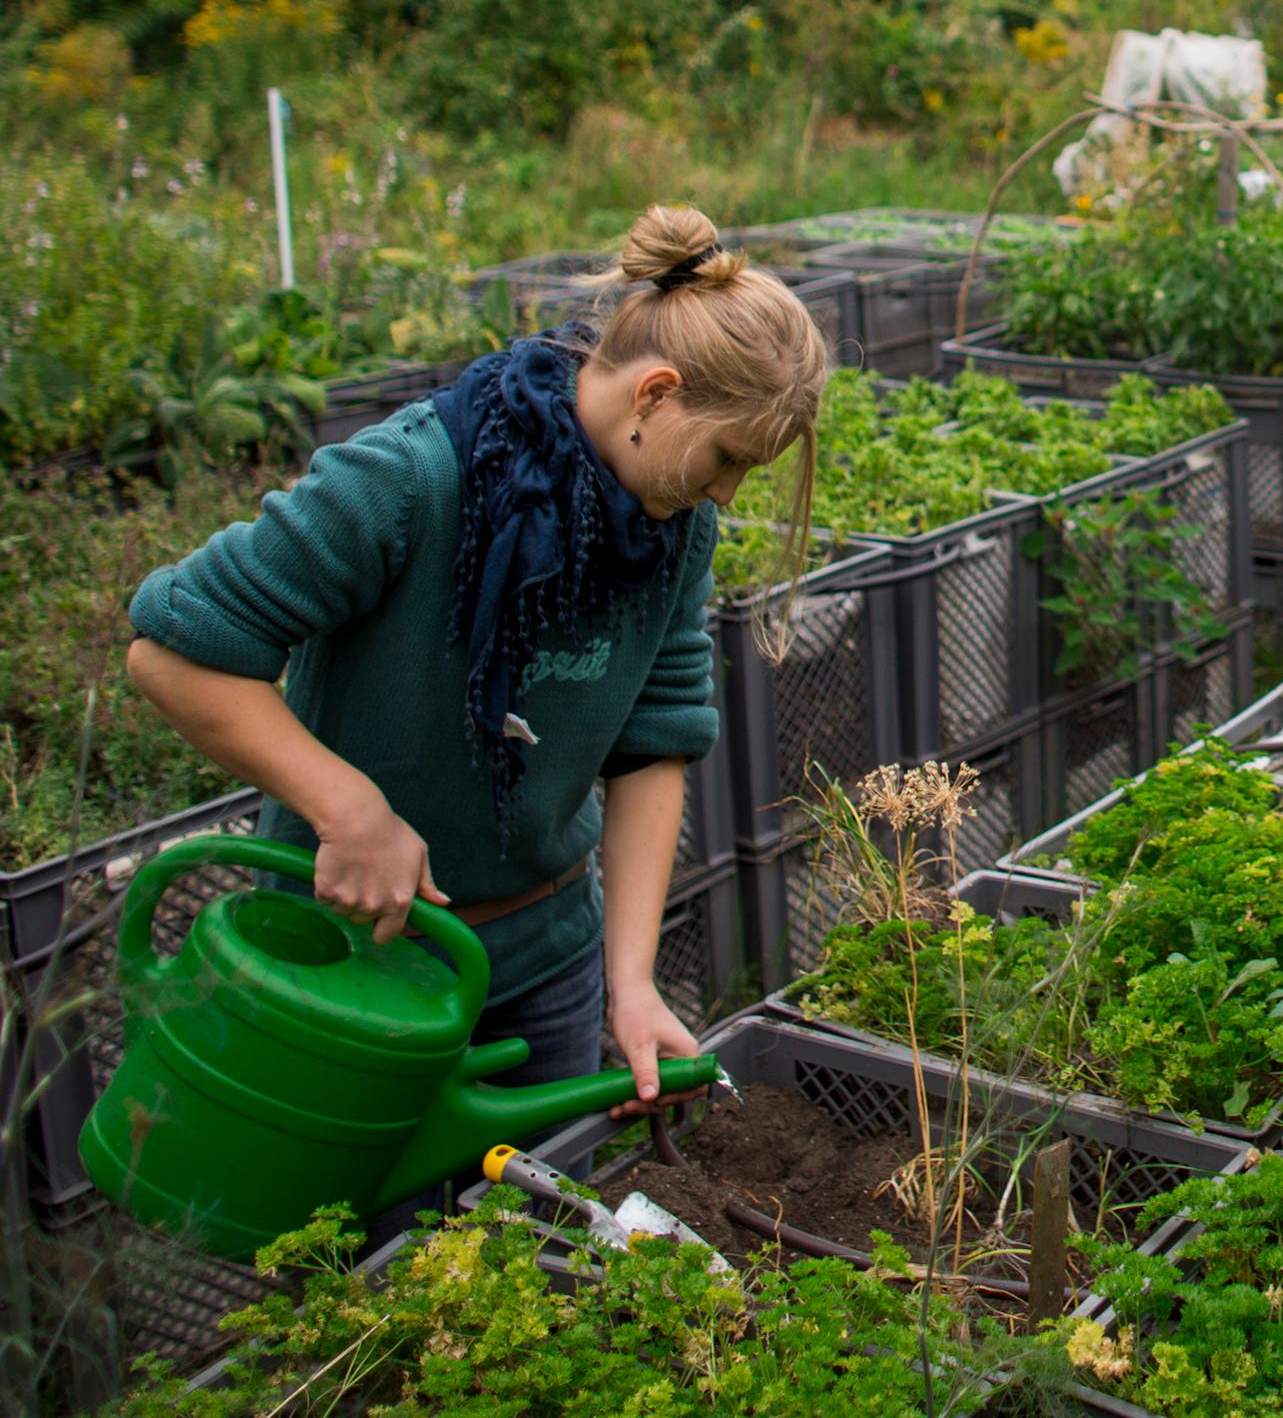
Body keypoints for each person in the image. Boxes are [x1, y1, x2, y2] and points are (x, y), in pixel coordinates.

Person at [126, 204, 826, 1114]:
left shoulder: (671, 531)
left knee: (535, 1238)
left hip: (549, 965)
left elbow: (653, 745)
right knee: (373, 1246)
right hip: (353, 961)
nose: (726, 491)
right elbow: (173, 650)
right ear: (655, 393)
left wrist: (633, 980)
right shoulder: (412, 479)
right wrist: (349, 808)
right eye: (728, 456)